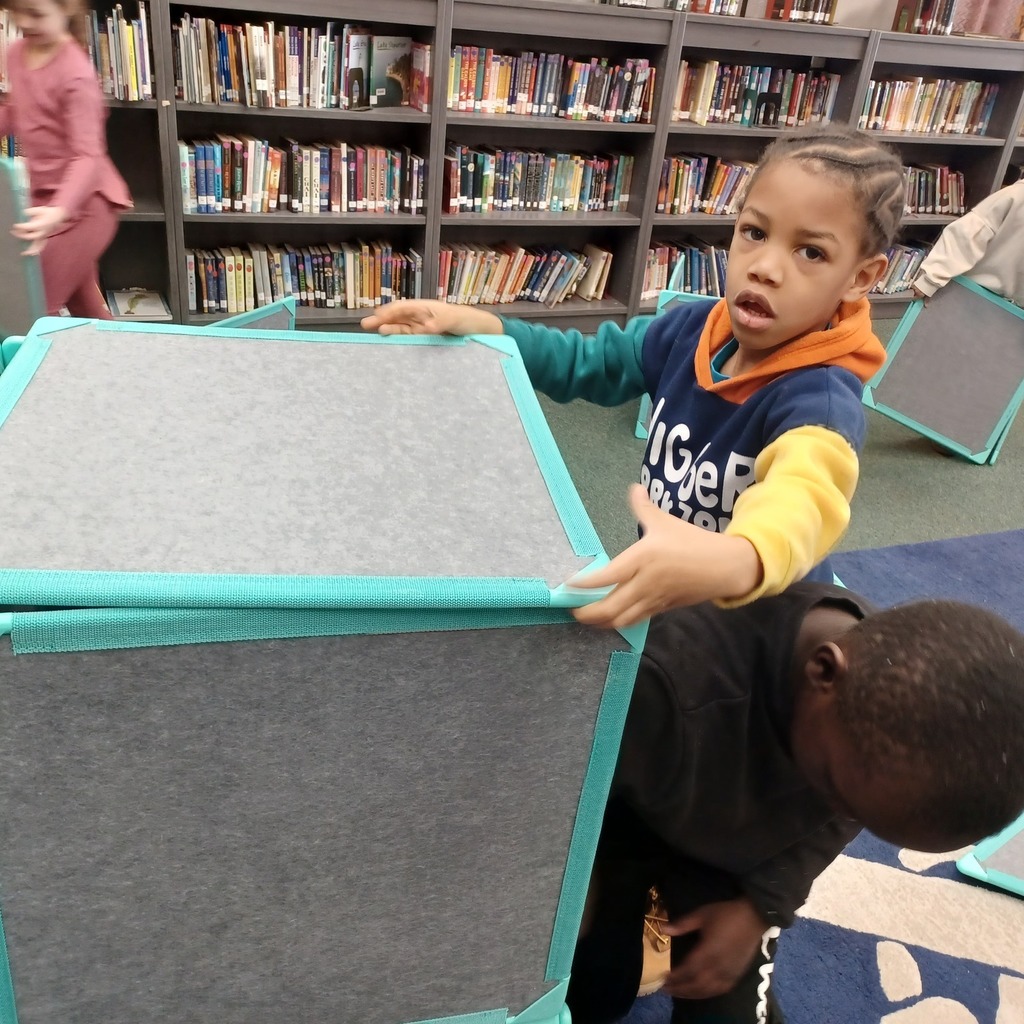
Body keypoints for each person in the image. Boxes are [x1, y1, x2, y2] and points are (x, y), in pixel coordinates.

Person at [362, 126, 904, 629]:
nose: (765, 266)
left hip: (759, 626)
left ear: (859, 277)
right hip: (669, 590)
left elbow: (805, 499)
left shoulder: (821, 400)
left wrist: (739, 558)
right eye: (754, 232)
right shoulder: (692, 329)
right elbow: (589, 363)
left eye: (811, 252)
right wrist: (490, 327)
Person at [570, 583, 1024, 1024]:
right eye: (835, 793)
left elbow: (831, 824)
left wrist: (760, 904)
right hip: (618, 820)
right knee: (598, 990)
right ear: (823, 671)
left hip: (738, 864)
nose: (840, 817)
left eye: (862, 818)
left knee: (726, 1005)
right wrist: (572, 896)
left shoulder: (873, 736)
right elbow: (562, 807)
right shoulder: (664, 680)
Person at [0, 0, 132, 318]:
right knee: (86, 309)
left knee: (28, 313)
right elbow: (20, 109)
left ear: (67, 8)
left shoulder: (76, 75)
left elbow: (88, 155)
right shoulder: (17, 53)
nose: (24, 22)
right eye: (16, 12)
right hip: (46, 202)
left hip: (87, 207)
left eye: (36, 14)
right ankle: (123, 363)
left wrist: (59, 211)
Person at [911, 176, 1024, 306]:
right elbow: (967, 234)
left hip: (1003, 307)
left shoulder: (1017, 194)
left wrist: (930, 280)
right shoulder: (1017, 195)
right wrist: (930, 280)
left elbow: (967, 234)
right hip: (974, 293)